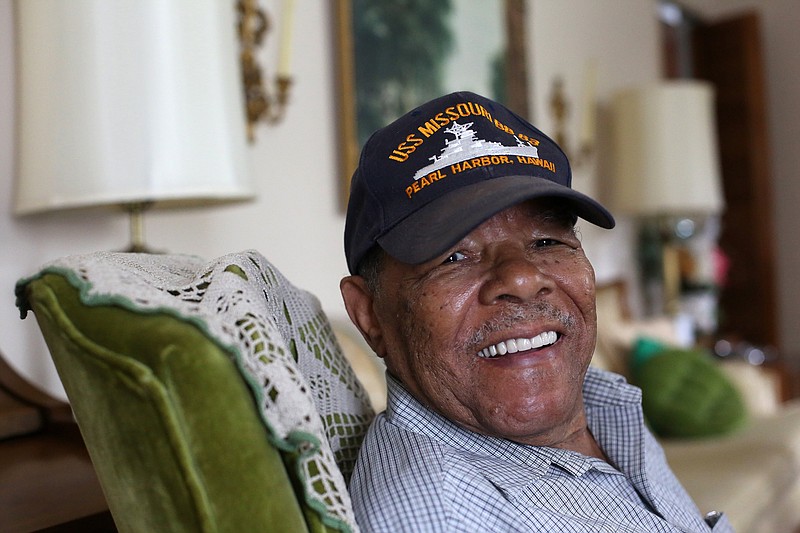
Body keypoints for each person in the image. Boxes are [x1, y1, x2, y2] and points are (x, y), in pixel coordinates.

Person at [339, 91, 732, 532]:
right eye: (453, 257)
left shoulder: (602, 403)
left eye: (547, 242)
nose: (524, 278)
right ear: (369, 314)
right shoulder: (441, 515)